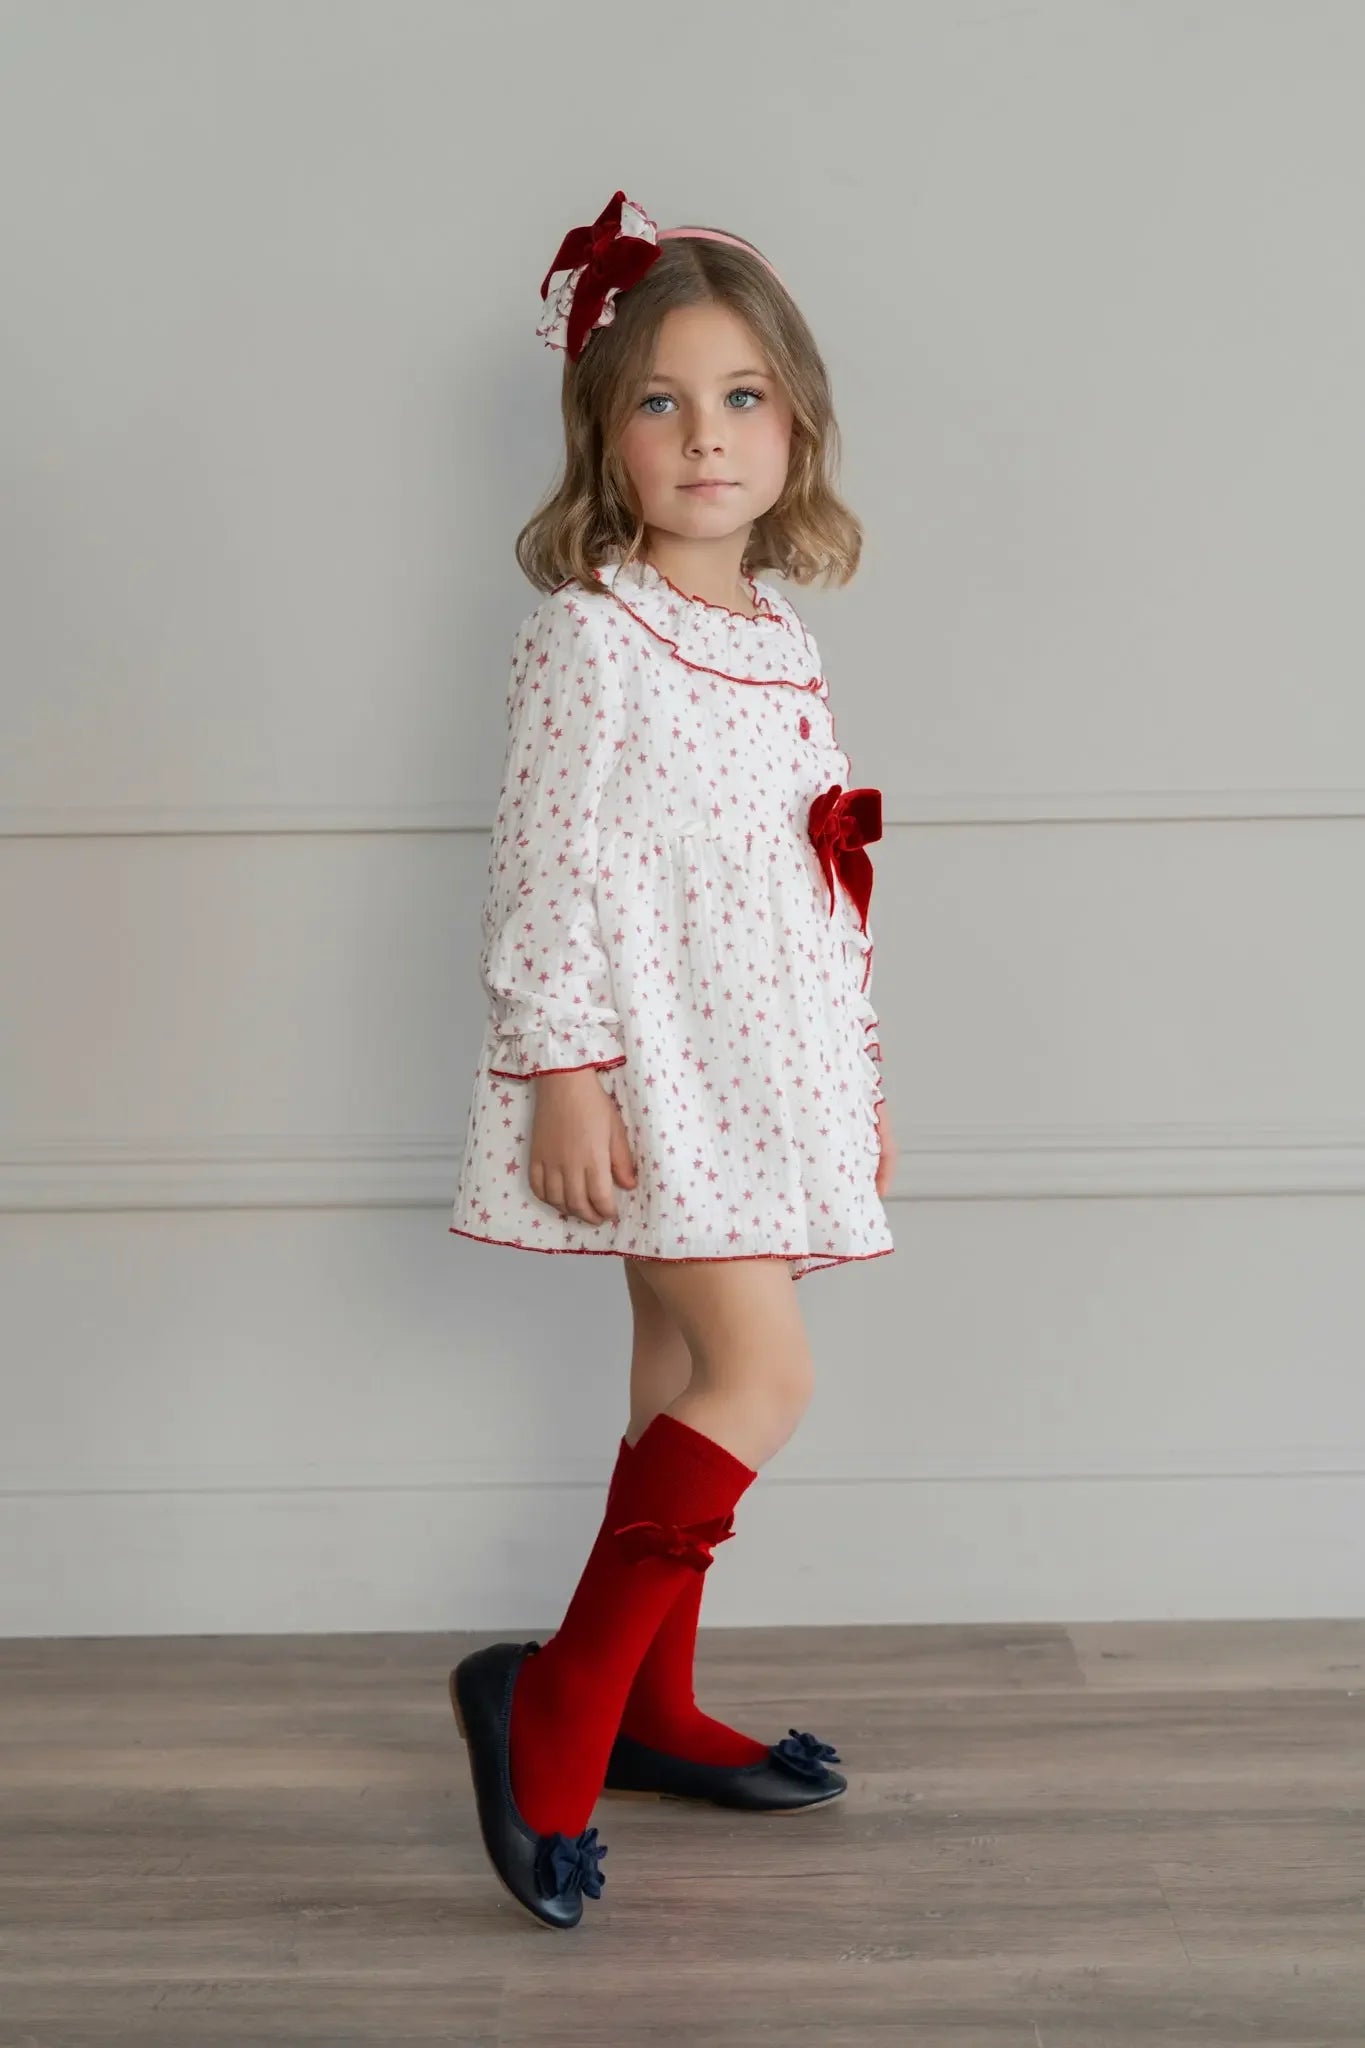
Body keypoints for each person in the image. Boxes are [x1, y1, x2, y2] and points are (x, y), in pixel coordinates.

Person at [448, 189, 897, 1929]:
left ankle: (645, 1706)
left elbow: (814, 884)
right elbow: (545, 858)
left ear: (792, 431)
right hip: (651, 1078)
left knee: (671, 1365)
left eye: (740, 400)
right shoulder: (593, 633)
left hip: (762, 1070)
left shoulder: (776, 640)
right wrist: (562, 1066)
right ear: (604, 432)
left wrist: (855, 1078)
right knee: (758, 1379)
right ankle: (550, 1696)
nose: (704, 437)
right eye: (661, 400)